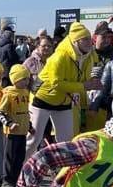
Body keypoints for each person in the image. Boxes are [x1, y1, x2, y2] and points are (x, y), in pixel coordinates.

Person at [27, 22, 100, 158]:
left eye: (89, 39)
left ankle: (63, 174)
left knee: (67, 142)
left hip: (64, 100)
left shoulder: (90, 56)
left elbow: (87, 77)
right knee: (33, 139)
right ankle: (19, 170)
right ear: (75, 41)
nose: (89, 42)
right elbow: (56, 83)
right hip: (42, 99)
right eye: (84, 39)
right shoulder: (59, 57)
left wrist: (94, 82)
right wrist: (84, 86)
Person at [0, 64, 34, 187]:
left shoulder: (25, 93)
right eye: (24, 79)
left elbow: (25, 113)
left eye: (27, 79)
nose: (26, 82)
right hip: (12, 133)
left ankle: (17, 180)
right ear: (16, 79)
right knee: (10, 158)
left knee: (19, 158)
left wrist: (30, 127)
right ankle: (7, 181)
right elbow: (0, 112)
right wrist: (9, 123)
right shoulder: (9, 94)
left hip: (22, 132)